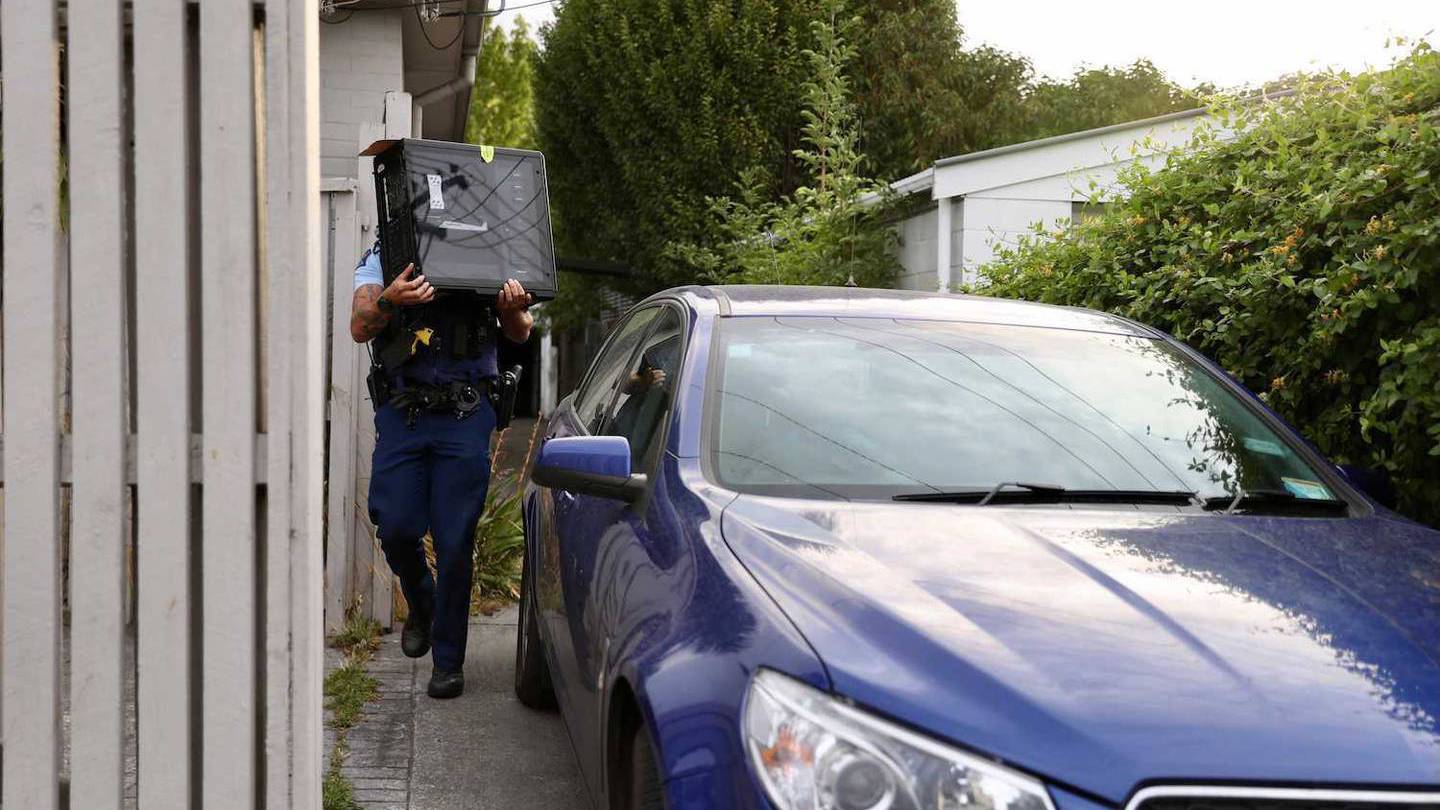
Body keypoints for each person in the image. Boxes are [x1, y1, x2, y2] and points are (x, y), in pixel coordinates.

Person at [350, 241, 533, 699]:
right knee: (395, 525)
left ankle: (448, 663)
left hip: (465, 414)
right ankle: (422, 601)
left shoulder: (490, 247)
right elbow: (359, 327)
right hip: (405, 411)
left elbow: (521, 332)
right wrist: (391, 299)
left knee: (455, 542)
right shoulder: (384, 254)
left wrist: (510, 308)